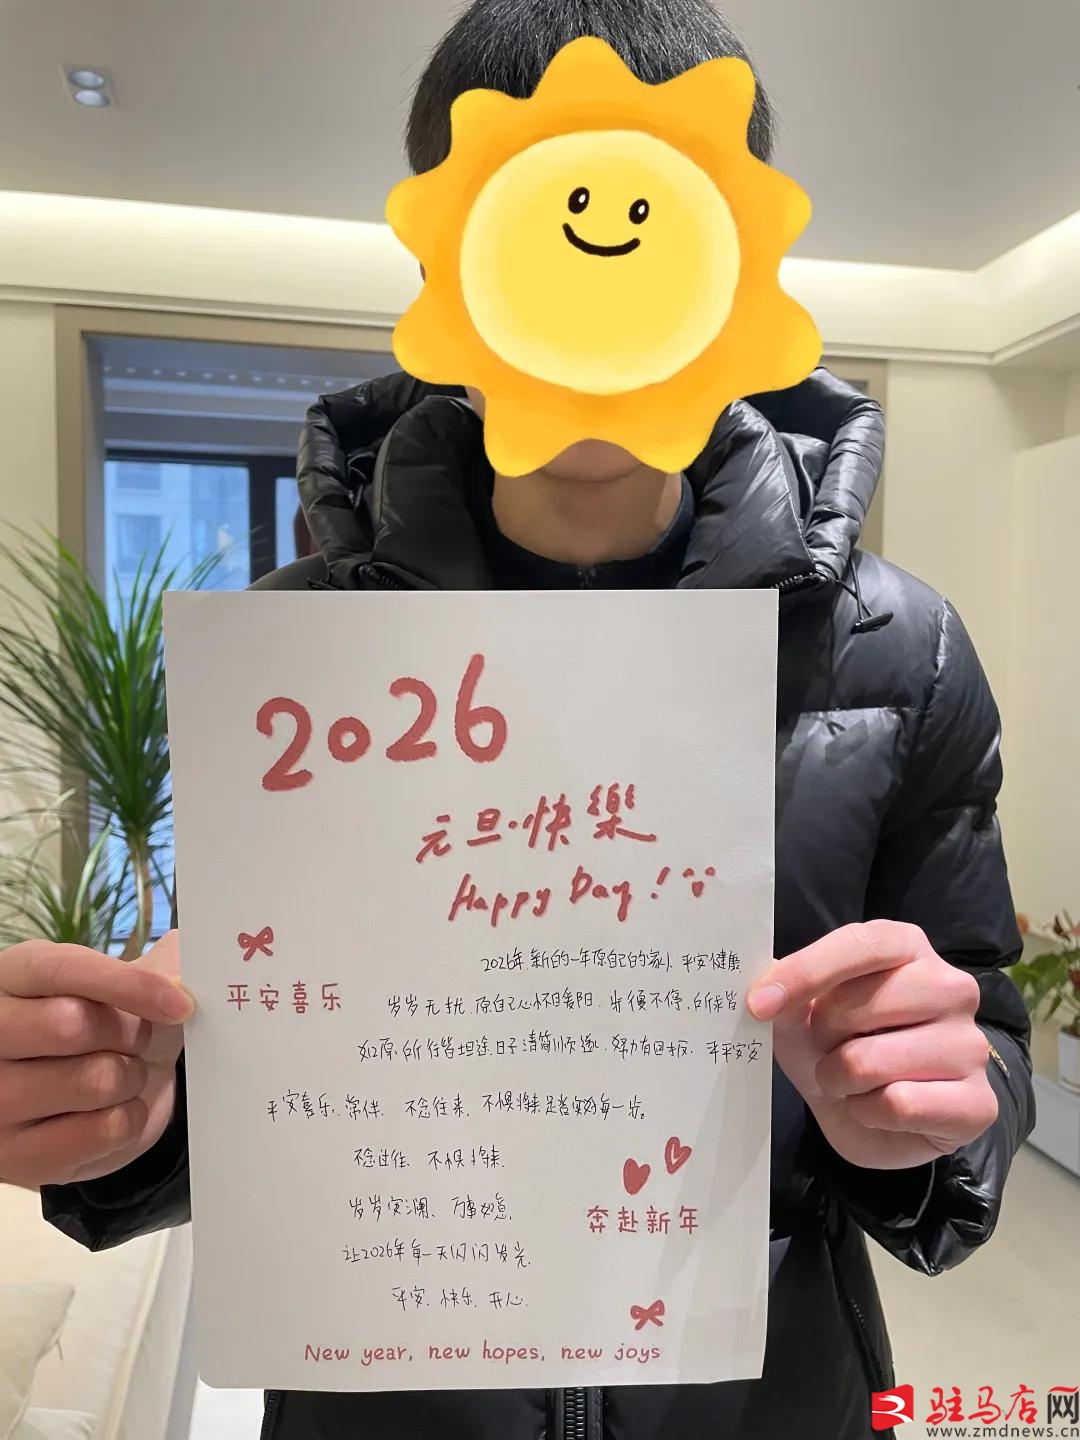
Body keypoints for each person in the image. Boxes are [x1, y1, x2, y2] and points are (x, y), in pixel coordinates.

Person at [0, 2, 1034, 1437]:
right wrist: (125, 1112)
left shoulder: (901, 650)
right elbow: (261, 1047)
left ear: (740, 257)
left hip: (766, 1389)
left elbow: (981, 1037)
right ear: (444, 261)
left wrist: (931, 1107)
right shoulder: (294, 661)